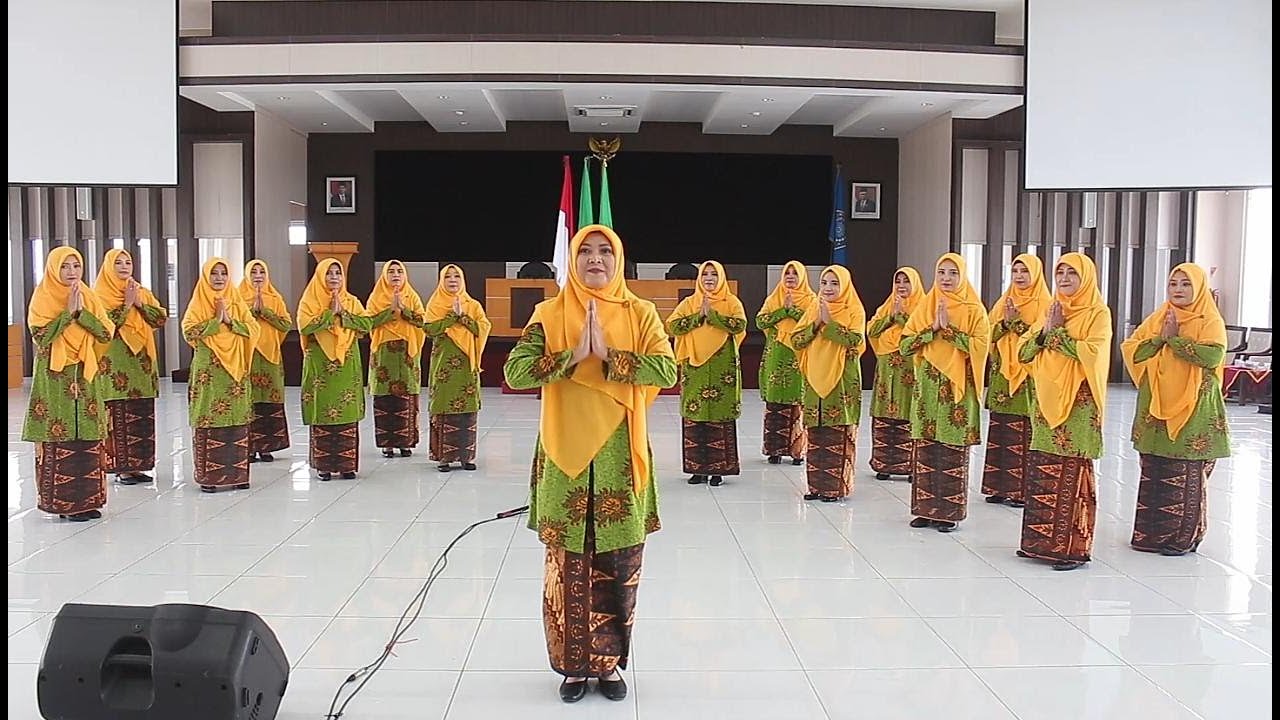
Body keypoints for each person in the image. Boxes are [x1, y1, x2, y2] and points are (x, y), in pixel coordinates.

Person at [503, 225, 676, 704]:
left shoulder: (640, 313)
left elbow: (668, 369)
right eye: (585, 251)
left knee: (619, 565)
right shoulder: (549, 313)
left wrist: (610, 357)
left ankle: (609, 665)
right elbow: (514, 372)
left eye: (604, 251)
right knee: (567, 568)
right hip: (565, 459)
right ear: (572, 261)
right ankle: (573, 666)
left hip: (622, 455)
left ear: (619, 260)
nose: (595, 259)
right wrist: (572, 355)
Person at [1121, 263, 1230, 556]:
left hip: (1193, 405)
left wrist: (1175, 341)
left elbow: (1213, 355)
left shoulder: (1209, 319)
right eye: (1173, 284)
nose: (1178, 290)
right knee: (1155, 466)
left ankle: (1185, 537)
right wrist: (1160, 337)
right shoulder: (1160, 317)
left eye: (1185, 284)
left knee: (1187, 470)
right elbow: (1133, 348)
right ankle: (1151, 534)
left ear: (1199, 288)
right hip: (1156, 402)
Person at [1017, 252, 1112, 570]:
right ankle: (1038, 544)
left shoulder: (1098, 313)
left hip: (1078, 404)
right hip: (1045, 401)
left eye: (1073, 273)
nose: (1065, 278)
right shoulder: (1050, 309)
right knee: (1044, 467)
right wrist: (1047, 330)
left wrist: (1054, 333)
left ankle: (1072, 548)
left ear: (1086, 277)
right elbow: (1024, 351)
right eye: (1061, 272)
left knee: (1073, 470)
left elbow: (1092, 354)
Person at [23, 247, 115, 521]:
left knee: (87, 435)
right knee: (59, 433)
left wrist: (81, 314)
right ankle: (62, 504)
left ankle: (88, 500)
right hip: (55, 376)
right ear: (53, 269)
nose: (72, 272)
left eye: (76, 266)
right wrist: (67, 314)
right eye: (65, 266)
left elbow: (105, 331)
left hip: (85, 372)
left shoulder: (88, 296)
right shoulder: (43, 297)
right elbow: (41, 335)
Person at [901, 254, 990, 532]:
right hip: (927, 387)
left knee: (951, 451)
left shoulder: (975, 310)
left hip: (957, 389)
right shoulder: (926, 306)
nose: (946, 278)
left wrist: (949, 332)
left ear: (962, 276)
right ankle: (925, 510)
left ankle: (949, 513)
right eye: (942, 272)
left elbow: (980, 347)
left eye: (953, 273)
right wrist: (933, 329)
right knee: (927, 450)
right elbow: (904, 345)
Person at [298, 259, 385, 481]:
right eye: (329, 273)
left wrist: (343, 314)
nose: (334, 277)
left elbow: (366, 325)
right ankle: (324, 466)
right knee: (323, 411)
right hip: (320, 366)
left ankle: (347, 465)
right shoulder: (309, 301)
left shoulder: (352, 301)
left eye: (338, 273)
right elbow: (305, 327)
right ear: (320, 276)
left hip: (347, 365)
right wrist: (329, 313)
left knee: (346, 412)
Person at [181, 258, 260, 493]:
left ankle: (237, 474)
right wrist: (216, 321)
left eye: (223, 273)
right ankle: (210, 477)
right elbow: (189, 331)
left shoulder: (235, 301)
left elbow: (253, 328)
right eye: (214, 273)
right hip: (210, 372)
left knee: (237, 420)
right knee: (209, 419)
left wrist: (230, 321)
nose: (219, 278)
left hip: (235, 371)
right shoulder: (199, 303)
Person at [667, 260, 747, 486]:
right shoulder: (689, 302)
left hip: (723, 369)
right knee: (695, 418)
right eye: (705, 275)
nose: (709, 278)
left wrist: (712, 316)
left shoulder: (731, 302)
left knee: (719, 418)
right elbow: (672, 326)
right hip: (695, 368)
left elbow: (739, 325)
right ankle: (697, 470)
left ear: (721, 277)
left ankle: (719, 471)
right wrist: (698, 317)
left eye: (713, 274)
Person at [981, 255, 1052, 506]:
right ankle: (998, 487)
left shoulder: (1046, 303)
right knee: (1000, 430)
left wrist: (1016, 324)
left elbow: (1040, 338)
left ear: (1036, 274)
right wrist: (1005, 323)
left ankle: (1020, 490)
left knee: (1023, 433)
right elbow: (988, 331)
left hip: (1028, 376)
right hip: (1002, 374)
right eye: (1015, 270)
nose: (1020, 276)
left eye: (1025, 271)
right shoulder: (1004, 300)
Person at [92, 248, 167, 485]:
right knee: (117, 414)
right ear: (108, 267)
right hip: (114, 365)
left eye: (128, 262)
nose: (124, 267)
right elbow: (103, 327)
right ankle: (120, 468)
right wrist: (126, 305)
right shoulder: (99, 295)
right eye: (118, 263)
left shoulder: (140, 291)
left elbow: (160, 318)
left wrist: (139, 303)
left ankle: (137, 466)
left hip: (141, 363)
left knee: (141, 414)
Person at [792, 265, 866, 502]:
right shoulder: (814, 308)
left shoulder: (854, 309)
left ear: (844, 285)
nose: (828, 288)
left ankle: (837, 488)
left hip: (842, 379)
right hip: (814, 377)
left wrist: (830, 323)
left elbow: (856, 341)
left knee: (838, 432)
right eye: (824, 283)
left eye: (834, 283)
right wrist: (816, 324)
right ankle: (815, 486)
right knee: (816, 434)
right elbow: (796, 338)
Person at [424, 264, 491, 472]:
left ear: (462, 280)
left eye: (456, 276)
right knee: (443, 409)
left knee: (467, 411)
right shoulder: (435, 304)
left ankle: (466, 457)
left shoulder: (473, 305)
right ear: (441, 281)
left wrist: (463, 316)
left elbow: (484, 327)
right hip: (443, 367)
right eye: (448, 277)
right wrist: (451, 317)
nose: (452, 280)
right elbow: (429, 329)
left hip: (466, 367)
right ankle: (444, 458)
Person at [756, 260, 816, 466]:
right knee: (774, 405)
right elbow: (760, 321)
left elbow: (813, 324)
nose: (790, 277)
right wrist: (783, 310)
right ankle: (774, 450)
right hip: (776, 355)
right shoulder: (775, 298)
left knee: (797, 405)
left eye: (795, 274)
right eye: (787, 273)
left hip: (799, 356)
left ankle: (797, 450)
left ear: (802, 277)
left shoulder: (811, 300)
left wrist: (793, 311)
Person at [866, 266, 924, 480]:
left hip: (909, 369)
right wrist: (891, 317)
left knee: (908, 413)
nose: (901, 285)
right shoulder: (887, 306)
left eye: (906, 281)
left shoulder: (923, 307)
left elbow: (920, 332)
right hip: (886, 368)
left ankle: (910, 466)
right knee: (884, 414)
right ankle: (884, 464)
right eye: (898, 281)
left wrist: (901, 317)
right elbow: (871, 330)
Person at [366, 260, 428, 459]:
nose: (395, 275)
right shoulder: (376, 297)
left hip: (407, 354)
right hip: (384, 354)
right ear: (384, 275)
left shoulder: (412, 296)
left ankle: (406, 443)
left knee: (407, 400)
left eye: (399, 271)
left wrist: (404, 310)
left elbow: (423, 322)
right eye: (391, 271)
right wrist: (391, 310)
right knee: (385, 400)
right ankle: (387, 444)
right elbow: (368, 323)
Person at [239, 260, 293, 462]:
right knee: (249, 400)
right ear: (247, 274)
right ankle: (250, 447)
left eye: (262, 271)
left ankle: (266, 447)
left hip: (270, 355)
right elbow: (235, 324)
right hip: (247, 355)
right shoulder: (237, 298)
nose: (258, 275)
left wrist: (266, 312)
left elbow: (286, 324)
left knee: (269, 401)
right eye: (254, 272)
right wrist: (252, 311)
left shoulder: (274, 297)